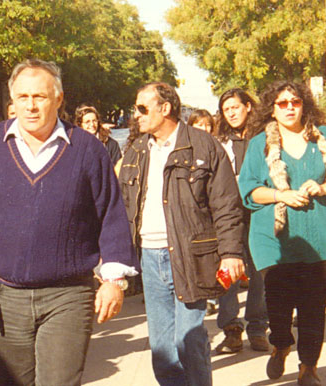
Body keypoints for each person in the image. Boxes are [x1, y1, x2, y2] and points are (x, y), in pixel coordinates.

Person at [0, 59, 138, 385]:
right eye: (22, 97)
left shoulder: (88, 150)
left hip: (68, 296)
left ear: (58, 99)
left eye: (40, 97)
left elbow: (111, 215)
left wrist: (114, 280)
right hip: (4, 296)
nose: (30, 106)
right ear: (11, 101)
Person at [119, 82, 246, 386]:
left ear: (165, 108)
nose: (136, 115)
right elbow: (122, 205)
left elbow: (226, 204)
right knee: (162, 349)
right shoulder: (137, 149)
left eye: (142, 108)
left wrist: (230, 254)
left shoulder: (204, 146)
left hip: (192, 255)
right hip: (150, 258)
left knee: (186, 340)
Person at [238, 81, 326, 386]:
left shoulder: (325, 137)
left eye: (295, 101)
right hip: (273, 238)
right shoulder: (260, 144)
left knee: (313, 305)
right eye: (282, 103)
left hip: (318, 234)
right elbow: (250, 191)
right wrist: (282, 195)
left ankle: (308, 367)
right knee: (278, 304)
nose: (290, 107)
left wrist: (321, 187)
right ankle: (280, 344)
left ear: (304, 104)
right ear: (272, 108)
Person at [212, 88, 269, 354]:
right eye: (227, 109)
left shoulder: (266, 137)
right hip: (230, 215)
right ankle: (231, 330)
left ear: (248, 106)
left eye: (236, 107)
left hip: (259, 213)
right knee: (229, 273)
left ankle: (258, 328)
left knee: (259, 273)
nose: (232, 113)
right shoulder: (219, 140)